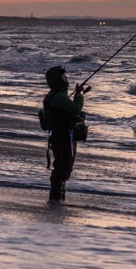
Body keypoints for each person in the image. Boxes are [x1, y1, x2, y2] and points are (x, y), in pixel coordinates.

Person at [43, 66, 89, 204]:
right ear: (58, 79)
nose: (66, 79)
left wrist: (76, 94)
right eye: (64, 77)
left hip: (60, 136)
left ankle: (57, 199)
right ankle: (56, 200)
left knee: (61, 166)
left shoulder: (54, 94)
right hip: (64, 136)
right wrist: (79, 96)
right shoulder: (59, 96)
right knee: (63, 168)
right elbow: (75, 109)